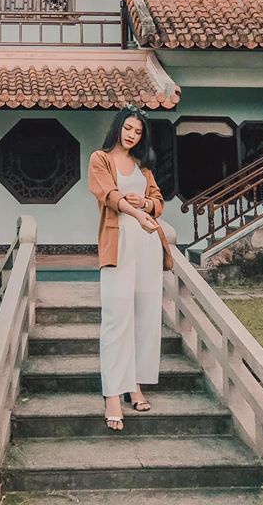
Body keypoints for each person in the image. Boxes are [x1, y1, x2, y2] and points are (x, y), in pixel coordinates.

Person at [88, 104, 168, 432]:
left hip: (147, 245)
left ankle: (134, 384)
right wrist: (135, 211)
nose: (131, 135)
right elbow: (107, 194)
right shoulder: (100, 159)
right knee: (116, 318)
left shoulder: (142, 167)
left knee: (144, 315)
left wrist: (146, 204)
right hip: (119, 244)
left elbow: (158, 202)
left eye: (138, 132)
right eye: (128, 128)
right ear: (118, 126)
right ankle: (112, 394)